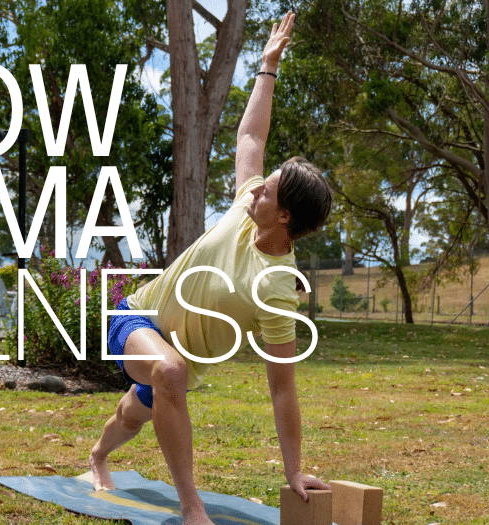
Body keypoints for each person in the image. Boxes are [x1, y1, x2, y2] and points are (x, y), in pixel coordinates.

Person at [88, 11, 333, 525]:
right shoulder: (248, 205)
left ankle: (97, 455)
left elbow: (282, 385)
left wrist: (293, 470)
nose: (256, 186)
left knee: (133, 413)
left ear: (284, 216)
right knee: (168, 372)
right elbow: (250, 139)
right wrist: (267, 67)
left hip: (178, 364)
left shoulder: (278, 290)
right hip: (136, 317)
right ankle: (192, 508)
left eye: (268, 190)